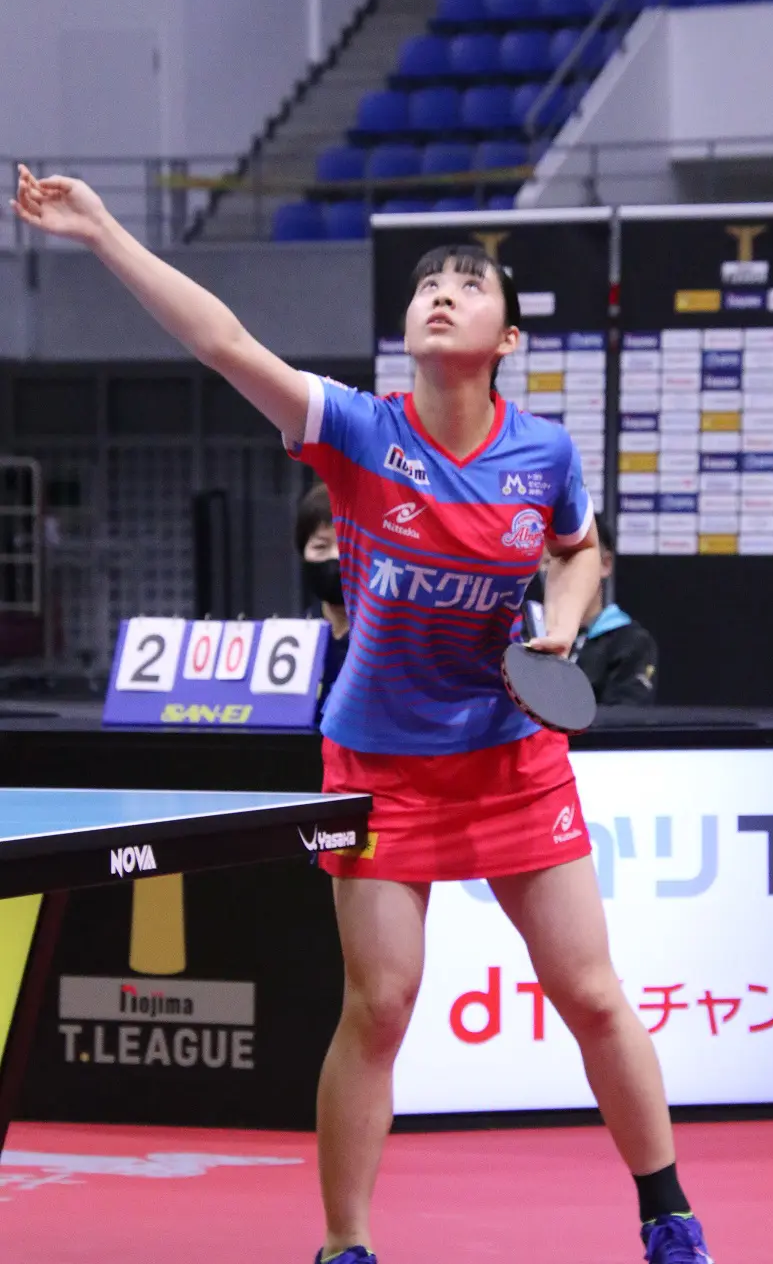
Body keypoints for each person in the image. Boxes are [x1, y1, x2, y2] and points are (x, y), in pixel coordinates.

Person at [11, 164, 714, 1264]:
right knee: (380, 1006)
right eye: (429, 283)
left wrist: (564, 628)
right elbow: (223, 342)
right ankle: (346, 1245)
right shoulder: (352, 429)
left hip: (510, 759)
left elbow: (578, 554)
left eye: (468, 286)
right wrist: (101, 230)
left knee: (589, 992)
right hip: (380, 766)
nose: (441, 293)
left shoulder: (544, 454)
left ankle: (669, 1216)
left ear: (506, 340)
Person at [534, 516, 658, 706]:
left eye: (570, 562)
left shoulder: (630, 642)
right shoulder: (521, 635)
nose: (556, 573)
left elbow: (625, 717)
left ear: (605, 564)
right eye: (548, 562)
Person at [295, 480, 350, 718]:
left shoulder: (390, 642)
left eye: (347, 546)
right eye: (320, 546)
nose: (335, 558)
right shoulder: (296, 637)